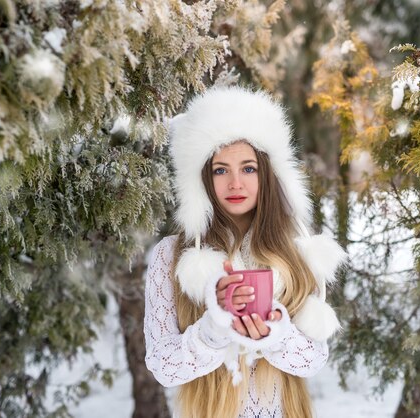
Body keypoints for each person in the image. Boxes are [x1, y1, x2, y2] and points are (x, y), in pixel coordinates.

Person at [144, 86, 347, 418]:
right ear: (202, 179)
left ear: (267, 174)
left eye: (248, 168)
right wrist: (213, 329)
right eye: (220, 169)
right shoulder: (172, 256)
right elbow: (163, 367)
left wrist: (276, 334)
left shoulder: (296, 250)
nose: (235, 183)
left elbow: (313, 360)